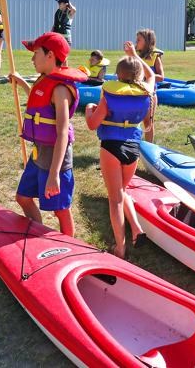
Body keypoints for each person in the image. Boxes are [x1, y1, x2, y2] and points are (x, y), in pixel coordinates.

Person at [9, 32, 87, 235]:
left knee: (60, 210)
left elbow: (62, 133)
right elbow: (39, 102)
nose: (32, 58)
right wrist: (22, 84)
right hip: (39, 154)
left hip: (56, 160)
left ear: (50, 55)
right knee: (23, 197)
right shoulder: (44, 79)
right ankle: (38, 233)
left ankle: (70, 247)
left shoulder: (60, 89)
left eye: (36, 53)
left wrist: (54, 175)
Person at [85, 41, 155, 259]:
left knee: (114, 198)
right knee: (122, 191)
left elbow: (92, 124)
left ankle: (120, 247)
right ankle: (137, 229)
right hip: (133, 147)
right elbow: (151, 76)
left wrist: (89, 109)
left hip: (111, 147)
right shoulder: (146, 93)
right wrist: (136, 56)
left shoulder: (110, 95)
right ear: (139, 76)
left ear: (117, 75)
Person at [135, 29, 164, 143]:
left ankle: (148, 147)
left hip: (149, 95)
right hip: (134, 94)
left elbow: (161, 77)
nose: (136, 42)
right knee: (132, 121)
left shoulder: (155, 57)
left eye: (138, 40)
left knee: (148, 123)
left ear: (147, 42)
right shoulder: (135, 55)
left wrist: (145, 77)